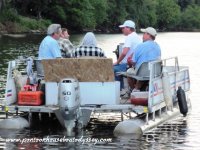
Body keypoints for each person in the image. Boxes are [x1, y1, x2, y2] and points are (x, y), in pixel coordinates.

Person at [127, 27, 161, 91]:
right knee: (144, 71)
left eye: (144, 34)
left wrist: (130, 62)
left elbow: (133, 62)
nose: (142, 36)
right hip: (155, 72)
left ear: (148, 35)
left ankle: (133, 90)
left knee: (128, 72)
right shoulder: (157, 46)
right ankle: (140, 87)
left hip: (142, 73)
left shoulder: (140, 46)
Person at [113, 20, 142, 90]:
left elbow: (124, 53)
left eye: (123, 28)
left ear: (128, 28)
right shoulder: (137, 36)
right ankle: (122, 88)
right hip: (135, 64)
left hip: (128, 65)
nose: (122, 30)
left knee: (113, 69)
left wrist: (117, 62)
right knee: (116, 68)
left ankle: (120, 90)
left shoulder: (129, 37)